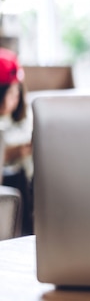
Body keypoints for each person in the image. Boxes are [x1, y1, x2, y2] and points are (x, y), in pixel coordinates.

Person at [0, 47, 33, 235]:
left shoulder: (23, 120)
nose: (11, 99)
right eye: (6, 92)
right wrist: (11, 153)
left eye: (15, 93)